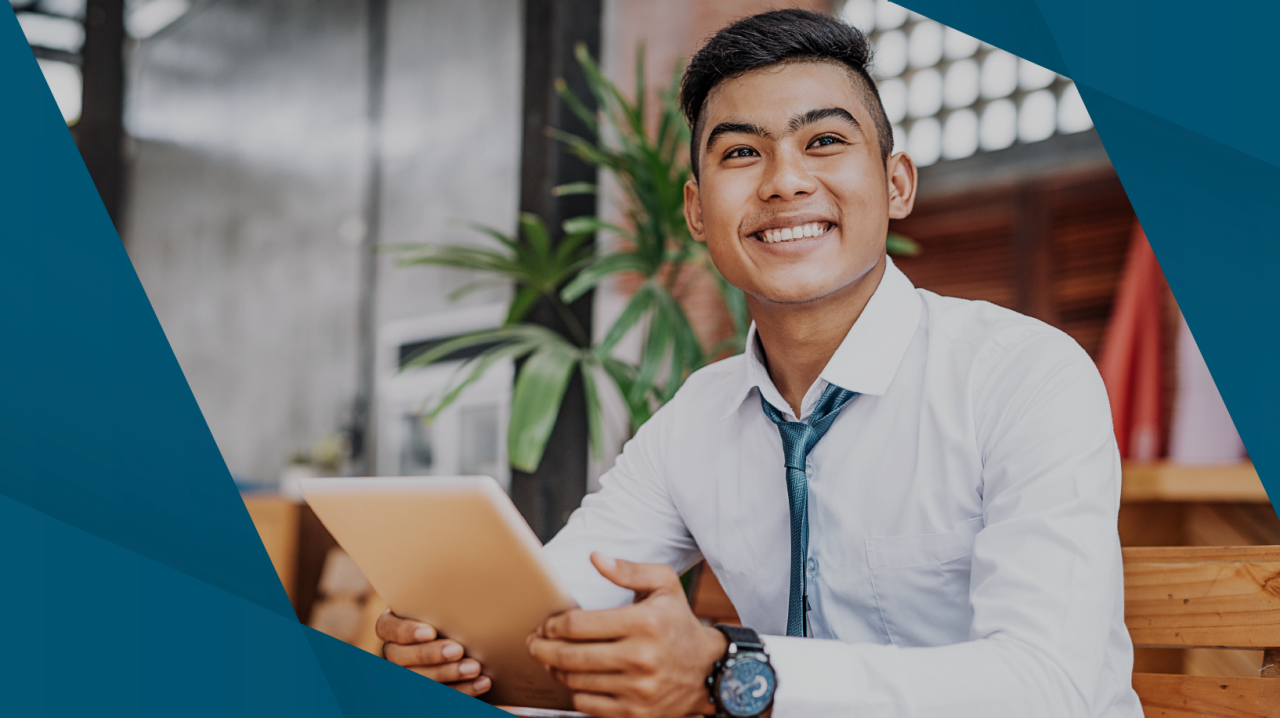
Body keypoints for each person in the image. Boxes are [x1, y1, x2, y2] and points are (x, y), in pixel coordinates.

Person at [377, 9, 1142, 718]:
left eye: (825, 142)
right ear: (698, 213)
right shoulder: (694, 421)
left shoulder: (1023, 376)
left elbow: (1054, 687)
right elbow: (554, 605)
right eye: (742, 152)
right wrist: (462, 646)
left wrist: (732, 671)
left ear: (897, 184)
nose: (783, 181)